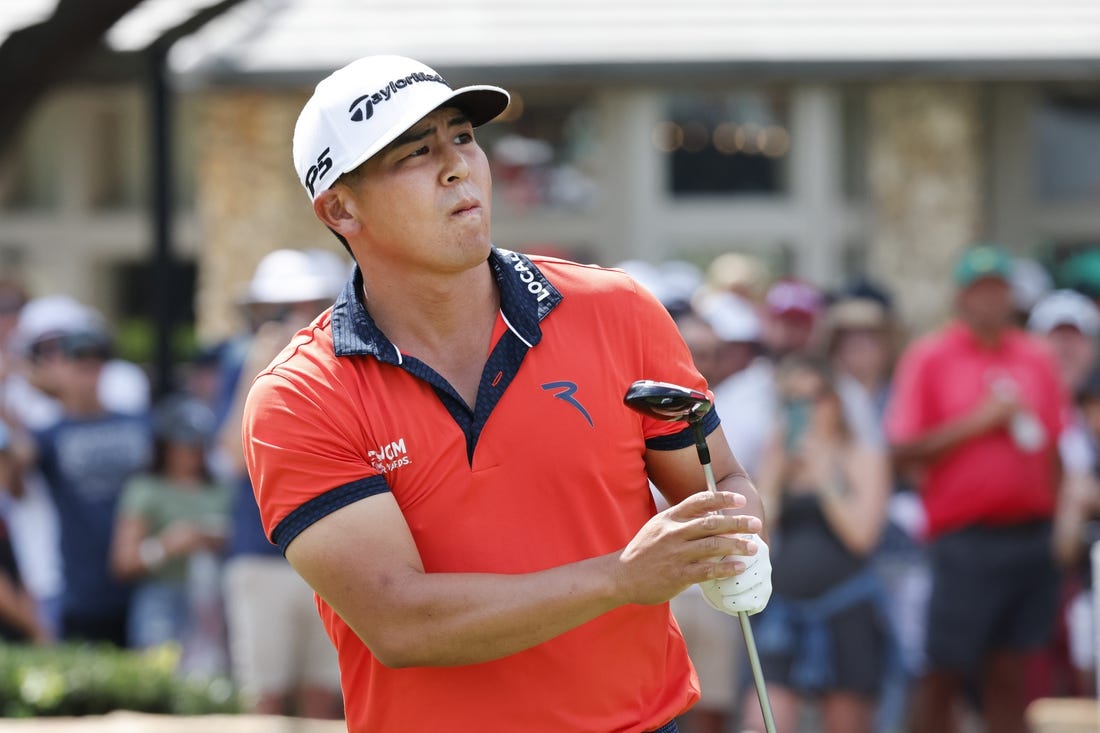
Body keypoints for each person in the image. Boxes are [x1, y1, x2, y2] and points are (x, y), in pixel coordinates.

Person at [242, 54, 772, 733]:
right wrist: (622, 576)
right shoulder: (300, 398)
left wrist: (735, 533)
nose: (458, 165)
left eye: (462, 136)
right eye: (415, 152)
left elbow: (717, 478)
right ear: (341, 207)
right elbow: (400, 621)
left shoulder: (619, 311)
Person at [886, 244, 1069, 733]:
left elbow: (1055, 446)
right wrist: (978, 423)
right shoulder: (931, 357)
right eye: (980, 290)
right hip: (964, 537)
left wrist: (1060, 523)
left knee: (1012, 669)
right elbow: (902, 450)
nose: (991, 300)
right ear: (961, 297)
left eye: (999, 289)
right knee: (945, 667)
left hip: (1031, 534)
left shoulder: (1037, 357)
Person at [216, 248, 346, 718]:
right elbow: (231, 458)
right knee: (266, 697)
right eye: (282, 309)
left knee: (324, 697)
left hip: (337, 552)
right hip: (261, 553)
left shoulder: (349, 368)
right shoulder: (241, 363)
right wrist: (260, 367)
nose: (298, 319)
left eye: (312, 306)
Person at [743, 354, 891, 733]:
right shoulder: (776, 458)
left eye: (815, 397)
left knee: (846, 722)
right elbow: (759, 543)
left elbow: (861, 537)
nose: (804, 409)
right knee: (762, 721)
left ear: (836, 401)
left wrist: (824, 472)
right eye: (793, 400)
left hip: (845, 607)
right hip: (782, 611)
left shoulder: (863, 456)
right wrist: (774, 480)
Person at [22, 320, 152, 645]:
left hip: (145, 583)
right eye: (78, 362)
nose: (87, 371)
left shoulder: (139, 422)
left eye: (95, 362)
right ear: (58, 368)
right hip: (81, 589)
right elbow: (14, 471)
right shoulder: (47, 435)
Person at [110, 393, 231, 671]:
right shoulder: (145, 489)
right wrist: (166, 545)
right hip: (159, 599)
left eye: (200, 444)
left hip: (212, 598)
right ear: (166, 445)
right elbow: (122, 563)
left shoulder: (221, 488)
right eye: (186, 444)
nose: (195, 452)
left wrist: (218, 539)